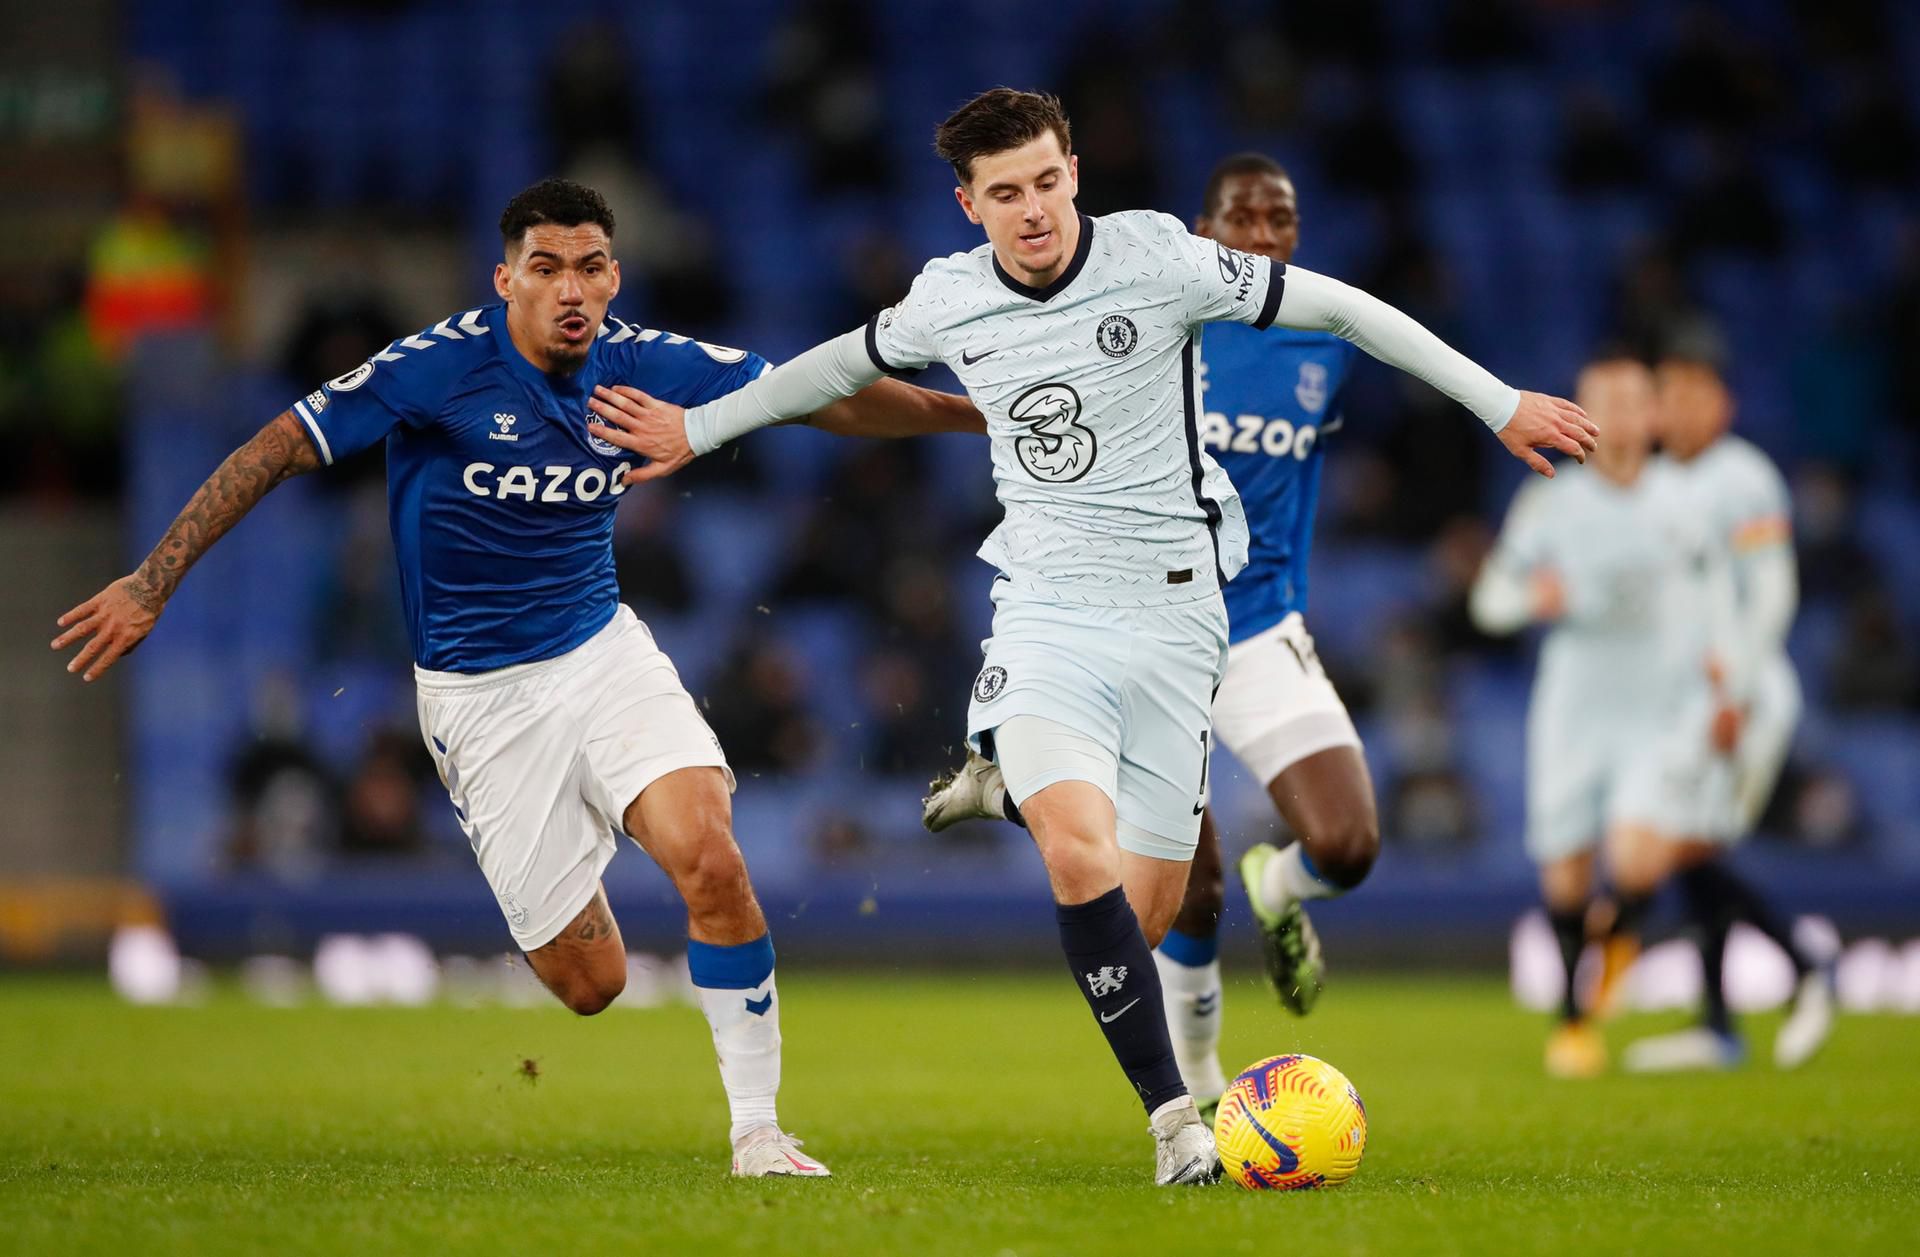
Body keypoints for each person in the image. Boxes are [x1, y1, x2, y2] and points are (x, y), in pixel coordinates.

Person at [584, 90, 1593, 1185]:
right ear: (969, 205)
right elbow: (834, 367)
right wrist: (701, 426)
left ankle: (1009, 785)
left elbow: (1346, 309)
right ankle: (1176, 1126)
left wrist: (1499, 403)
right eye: (1004, 193)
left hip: (1179, 619)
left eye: (1046, 182)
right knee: (1079, 861)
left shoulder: (1159, 259)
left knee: (1142, 916)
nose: (1032, 210)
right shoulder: (949, 296)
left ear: (1074, 174)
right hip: (1049, 613)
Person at [52, 177, 982, 1176]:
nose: (570, 289)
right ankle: (579, 855)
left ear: (614, 276)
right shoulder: (437, 368)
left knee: (712, 859)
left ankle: (757, 1130)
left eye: (590, 267)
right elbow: (278, 447)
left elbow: (814, 393)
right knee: (592, 983)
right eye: (546, 268)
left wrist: (975, 419)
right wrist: (151, 581)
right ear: (506, 281)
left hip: (601, 651)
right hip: (480, 700)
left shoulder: (640, 360)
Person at [921, 153, 1387, 1117]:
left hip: (1258, 626)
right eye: (1243, 219)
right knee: (1186, 887)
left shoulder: (1322, 340)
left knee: (1347, 843)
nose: (1264, 237)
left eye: (1281, 220)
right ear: (1205, 232)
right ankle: (1204, 1087)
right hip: (1141, 621)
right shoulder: (1157, 312)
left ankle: (1282, 889)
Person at [1604, 347, 1834, 1072]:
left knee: (1685, 848)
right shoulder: (1655, 484)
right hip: (1687, 700)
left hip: (1743, 696)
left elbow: (1772, 592)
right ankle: (1720, 1022)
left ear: (1722, 405)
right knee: (1694, 851)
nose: (1676, 411)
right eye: (1666, 397)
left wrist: (1735, 688)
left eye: (1691, 396)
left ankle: (1804, 965)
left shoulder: (1744, 476)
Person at [1470, 350, 1692, 1077]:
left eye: (1632, 401)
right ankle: (1573, 1018)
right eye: (1605, 402)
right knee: (1566, 878)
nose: (1620, 418)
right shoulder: (1550, 501)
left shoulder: (1685, 500)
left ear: (1654, 413)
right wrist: (1534, 598)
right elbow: (1489, 600)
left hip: (1658, 709)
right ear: (1581, 412)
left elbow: (1720, 598)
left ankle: (1607, 959)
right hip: (1574, 709)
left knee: (1638, 861)